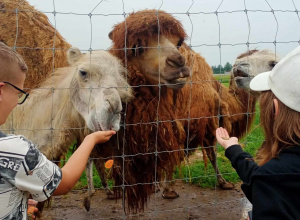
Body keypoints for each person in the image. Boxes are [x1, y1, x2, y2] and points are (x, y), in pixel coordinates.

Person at [0, 42, 116, 220]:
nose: (18, 102)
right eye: (18, 94)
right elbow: (64, 183)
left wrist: (15, 205)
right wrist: (90, 140)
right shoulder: (15, 150)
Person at [216, 45, 300, 220]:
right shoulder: (280, 172)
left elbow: (269, 181)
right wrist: (234, 151)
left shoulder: (274, 177)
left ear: (275, 109)